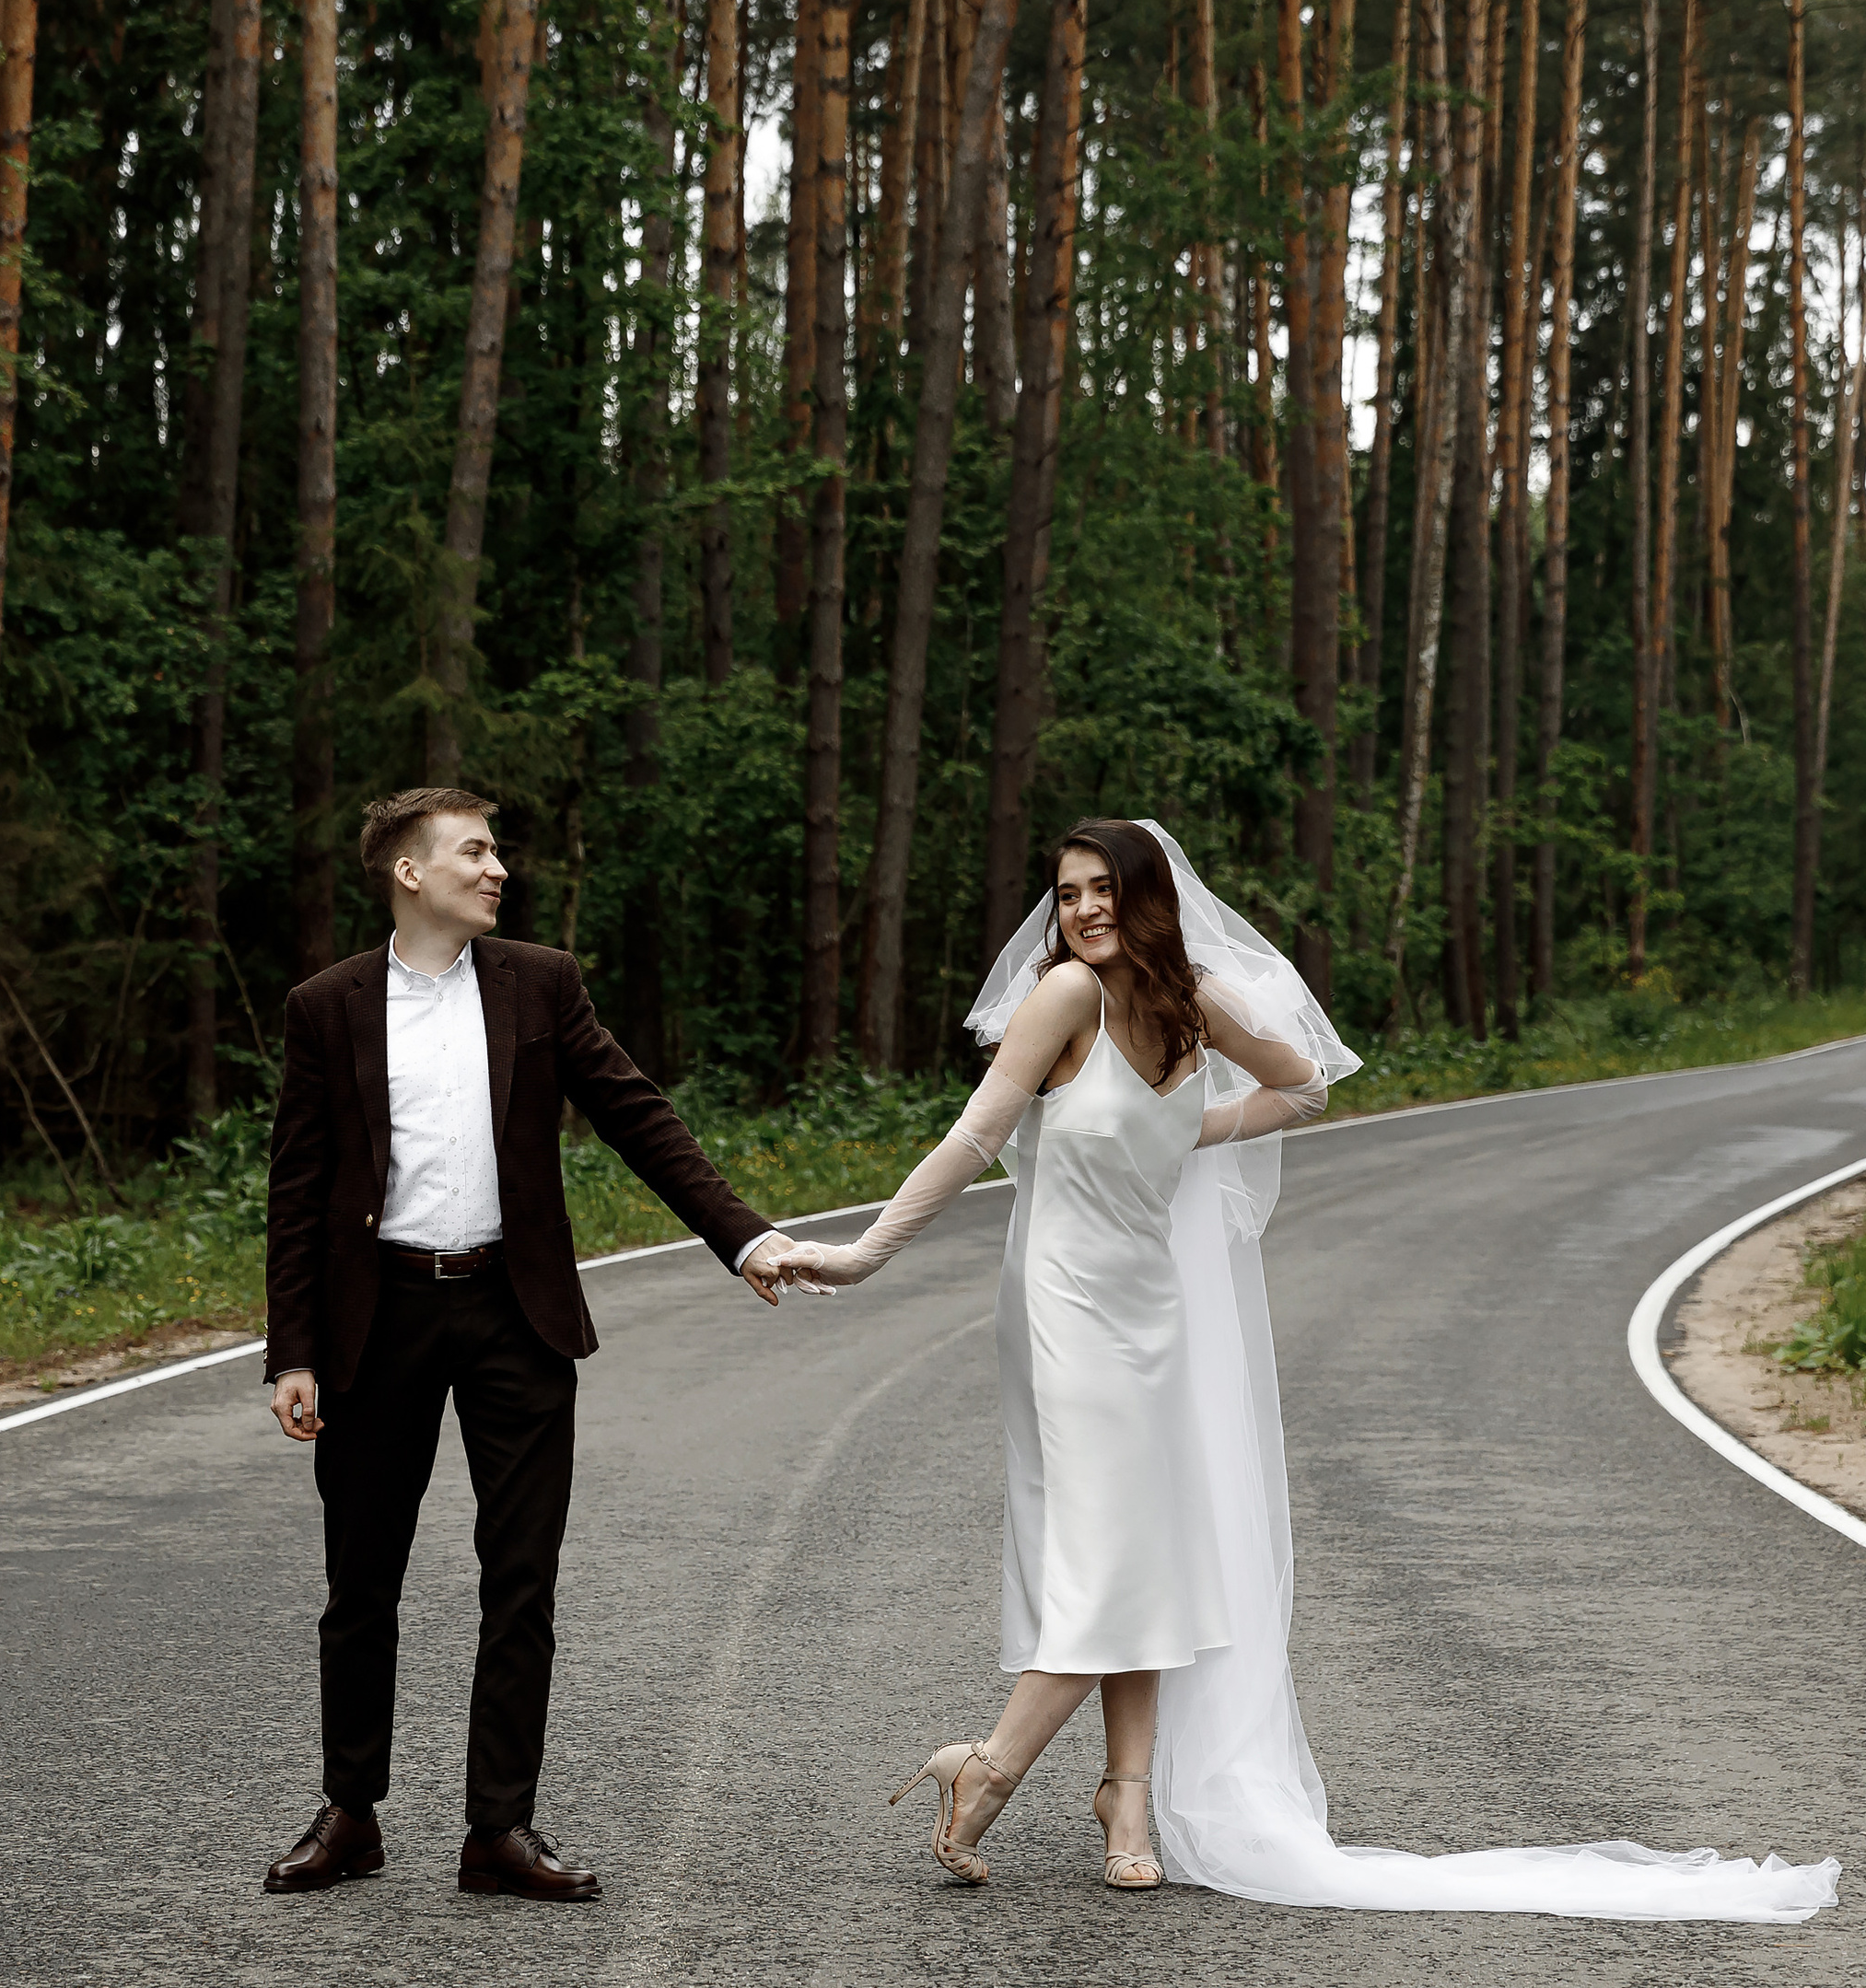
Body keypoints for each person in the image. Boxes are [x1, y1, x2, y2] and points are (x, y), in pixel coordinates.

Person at [773, 818, 1840, 1924]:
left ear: (1147, 898)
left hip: (1151, 1308)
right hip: (1062, 1310)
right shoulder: (1064, 999)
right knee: (1114, 1553)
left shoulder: (1184, 1003)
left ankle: (1122, 1796)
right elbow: (974, 1137)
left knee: (1144, 1546)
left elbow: (1306, 1086)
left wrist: (1181, 1133)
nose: (1080, 910)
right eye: (1064, 893)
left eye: (1099, 890)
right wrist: (859, 1255)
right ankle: (989, 1767)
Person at [260, 788, 797, 1903]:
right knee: (360, 1581)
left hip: (514, 1311)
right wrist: (292, 1351)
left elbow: (638, 1114)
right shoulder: (328, 1005)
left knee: (522, 1579)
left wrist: (740, 1238)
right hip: (378, 1318)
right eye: (474, 850)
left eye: (496, 849)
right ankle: (350, 1811)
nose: (497, 868)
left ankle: (498, 1829)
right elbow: (298, 1192)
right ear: (409, 872)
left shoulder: (539, 983)